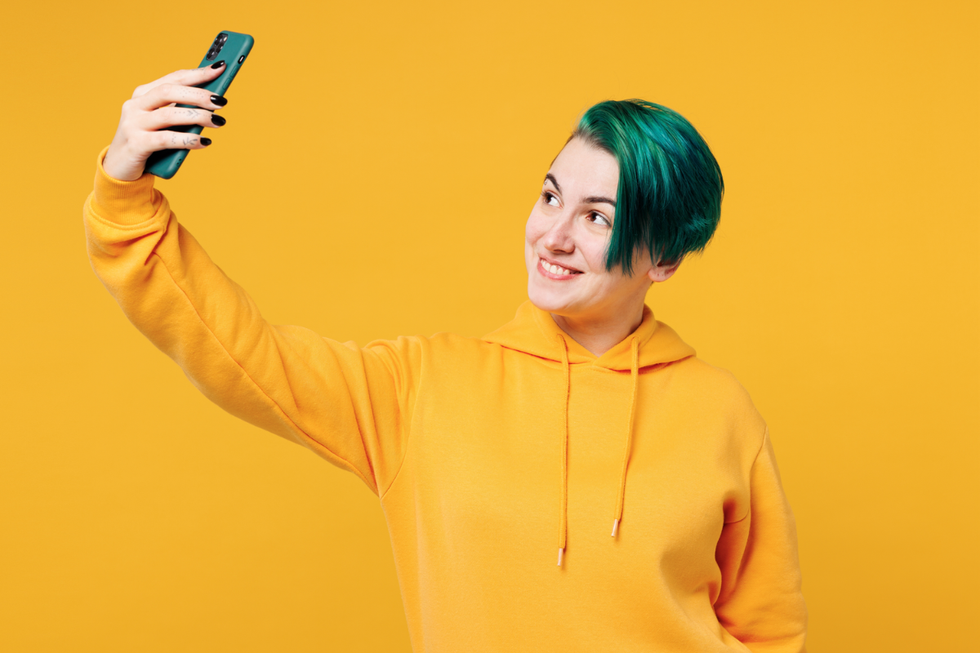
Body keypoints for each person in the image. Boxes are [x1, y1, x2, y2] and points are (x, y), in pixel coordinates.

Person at [85, 63, 807, 652]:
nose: (553, 234)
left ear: (668, 256)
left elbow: (769, 629)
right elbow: (241, 352)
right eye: (551, 195)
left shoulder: (720, 411)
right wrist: (126, 198)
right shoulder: (423, 388)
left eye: (597, 217)